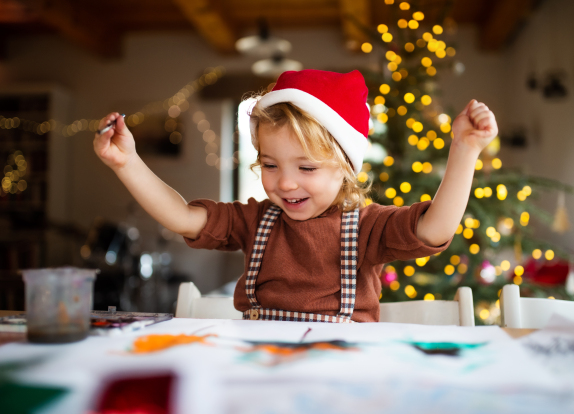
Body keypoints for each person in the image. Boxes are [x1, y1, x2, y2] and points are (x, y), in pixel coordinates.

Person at [93, 69, 498, 323]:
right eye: (270, 165)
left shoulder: (369, 227)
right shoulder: (255, 221)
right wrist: (126, 163)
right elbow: (182, 216)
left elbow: (434, 228)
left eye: (306, 168)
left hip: (342, 373)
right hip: (260, 366)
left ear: (345, 169)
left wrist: (464, 151)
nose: (285, 184)